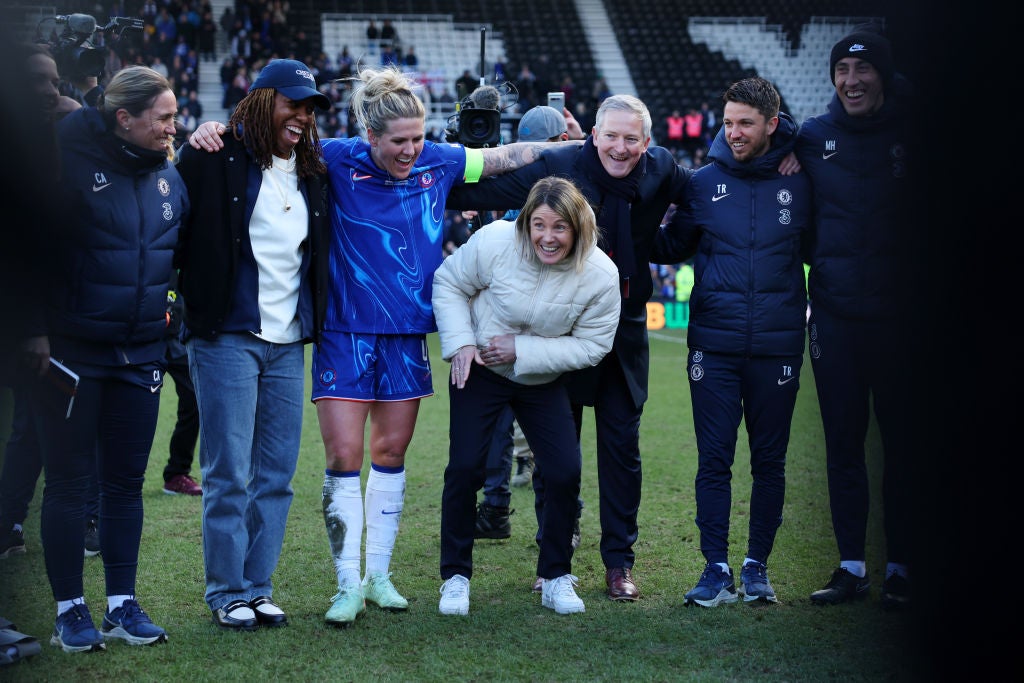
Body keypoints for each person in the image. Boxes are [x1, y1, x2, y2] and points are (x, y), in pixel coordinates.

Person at [189, 63, 579, 628]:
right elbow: (267, 140)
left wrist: (570, 146)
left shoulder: (438, 160)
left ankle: (378, 575)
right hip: (343, 330)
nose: (411, 150)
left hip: (406, 333)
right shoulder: (331, 156)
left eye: (418, 138)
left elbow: (503, 158)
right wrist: (215, 127)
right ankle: (346, 583)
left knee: (390, 455)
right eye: (399, 141)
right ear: (370, 136)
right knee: (343, 457)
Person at [447, 94, 800, 603]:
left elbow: (710, 184)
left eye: (630, 138)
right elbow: (485, 188)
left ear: (646, 142)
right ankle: (554, 558)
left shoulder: (663, 169)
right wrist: (427, 175)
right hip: (563, 327)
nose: (619, 147)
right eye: (610, 135)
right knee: (556, 449)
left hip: (626, 326)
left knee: (621, 449)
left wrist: (787, 145)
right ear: (592, 135)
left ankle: (619, 563)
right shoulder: (561, 165)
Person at [31, 65, 186, 653]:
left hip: (140, 354)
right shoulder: (64, 165)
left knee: (124, 485)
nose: (173, 127)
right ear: (124, 118)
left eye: (175, 116)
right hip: (72, 353)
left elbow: (177, 257)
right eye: (163, 118)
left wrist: (171, 314)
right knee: (69, 485)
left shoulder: (169, 175)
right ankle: (69, 611)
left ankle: (122, 605)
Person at [175, 58, 332, 631]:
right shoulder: (211, 154)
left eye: (310, 108)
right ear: (263, 101)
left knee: (277, 476)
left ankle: (258, 587)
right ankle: (226, 591)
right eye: (293, 104)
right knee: (228, 473)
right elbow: (175, 229)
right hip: (226, 336)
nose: (303, 116)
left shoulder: (313, 168)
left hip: (289, 341)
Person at [655, 77, 812, 607]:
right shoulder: (702, 183)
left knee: (770, 462)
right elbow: (670, 246)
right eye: (728, 123)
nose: (735, 132)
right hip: (714, 347)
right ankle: (715, 569)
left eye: (746, 123)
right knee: (713, 460)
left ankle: (757, 568)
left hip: (778, 346)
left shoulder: (802, 181)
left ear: (773, 124)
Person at [433, 176, 621, 616]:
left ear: (578, 227)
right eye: (539, 225)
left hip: (542, 378)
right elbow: (449, 282)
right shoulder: (497, 240)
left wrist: (522, 349)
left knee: (563, 472)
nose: (547, 237)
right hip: (481, 368)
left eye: (560, 227)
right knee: (465, 468)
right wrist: (461, 342)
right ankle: (455, 577)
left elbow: (593, 346)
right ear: (526, 223)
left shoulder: (600, 274)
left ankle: (555, 575)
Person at [795, 25, 917, 611]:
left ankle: (902, 567)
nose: (851, 80)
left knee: (902, 446)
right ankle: (851, 567)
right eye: (842, 70)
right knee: (843, 445)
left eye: (862, 69)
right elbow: (748, 140)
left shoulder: (917, 131)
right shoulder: (813, 137)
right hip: (835, 318)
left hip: (902, 322)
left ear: (884, 75)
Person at [159, 275, 201, 497]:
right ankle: (116, 476)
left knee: (196, 399)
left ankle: (177, 473)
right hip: (143, 337)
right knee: (128, 407)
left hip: (178, 335)